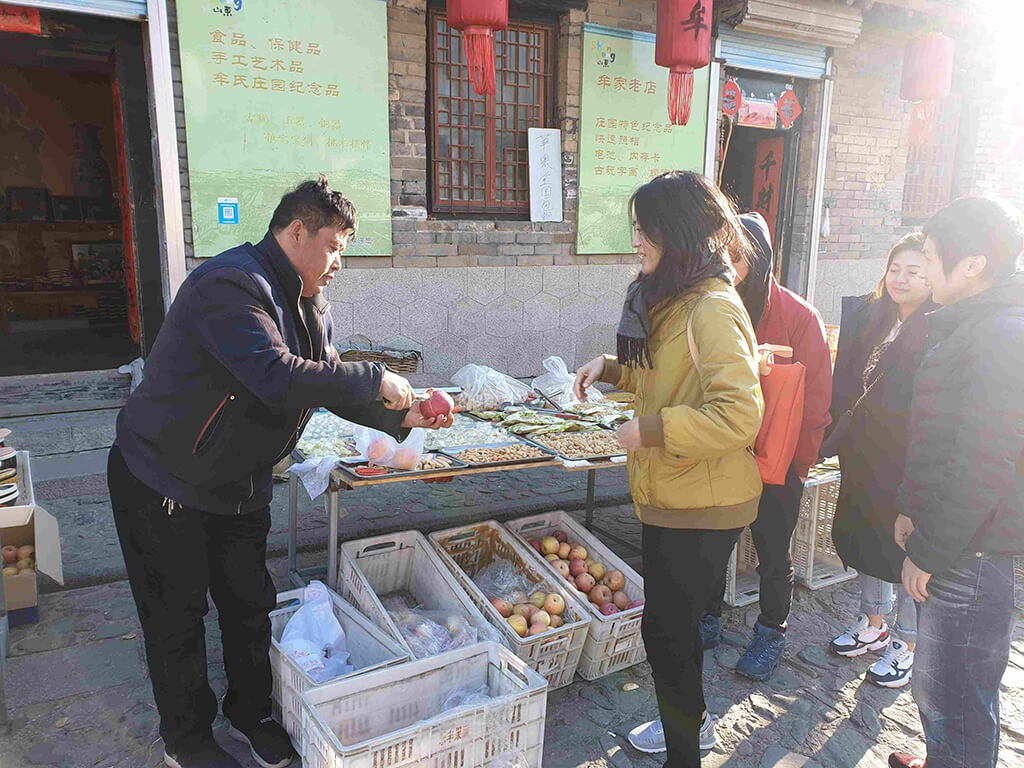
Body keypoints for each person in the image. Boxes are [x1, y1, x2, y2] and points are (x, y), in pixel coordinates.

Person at [108, 177, 452, 768]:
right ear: (296, 231)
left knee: (248, 604)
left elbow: (325, 373)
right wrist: (377, 378)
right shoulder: (232, 285)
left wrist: (404, 413)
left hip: (240, 483)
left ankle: (251, 713)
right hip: (165, 480)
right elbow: (276, 374)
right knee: (177, 616)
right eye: (334, 245)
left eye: (344, 248)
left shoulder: (309, 297)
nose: (339, 261)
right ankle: (186, 740)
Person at [573, 171, 764, 767]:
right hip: (672, 491)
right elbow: (661, 378)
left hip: (703, 502)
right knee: (671, 631)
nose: (636, 240)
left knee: (668, 634)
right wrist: (608, 368)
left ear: (677, 232)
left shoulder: (710, 307)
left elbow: (740, 413)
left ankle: (686, 748)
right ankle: (690, 723)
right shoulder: (671, 297)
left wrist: (653, 429)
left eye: (644, 229)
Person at [887, 195, 1024, 768]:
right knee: (941, 689)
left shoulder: (999, 333)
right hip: (955, 542)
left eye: (934, 256)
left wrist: (931, 550)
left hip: (969, 553)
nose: (925, 267)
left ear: (973, 265)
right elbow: (941, 441)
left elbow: (984, 461)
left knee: (956, 698)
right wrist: (910, 508)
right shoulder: (977, 322)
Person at [700, 211, 833, 681]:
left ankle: (772, 631)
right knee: (716, 541)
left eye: (739, 258)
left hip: (779, 464)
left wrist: (799, 466)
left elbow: (817, 404)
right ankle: (708, 617)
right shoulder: (713, 307)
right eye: (722, 256)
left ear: (761, 259)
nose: (730, 267)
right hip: (724, 455)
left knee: (773, 551)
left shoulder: (799, 317)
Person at [826, 233, 935, 688]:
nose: (901, 279)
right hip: (864, 453)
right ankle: (874, 623)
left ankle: (907, 644)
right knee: (866, 537)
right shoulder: (874, 318)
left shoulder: (938, 330)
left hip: (906, 459)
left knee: (904, 548)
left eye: (914, 271)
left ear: (934, 277)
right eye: (895, 269)